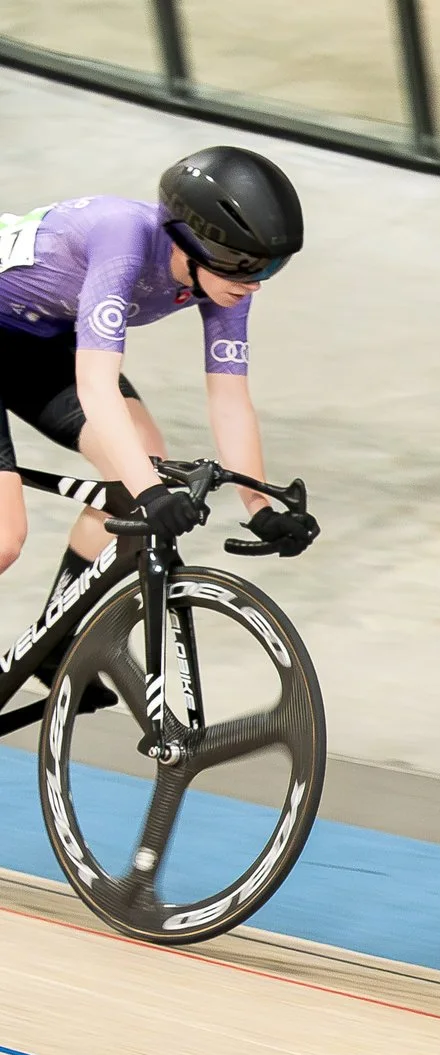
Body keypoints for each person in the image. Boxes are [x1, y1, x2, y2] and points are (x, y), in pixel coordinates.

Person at [0, 145, 318, 665]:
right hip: (28, 331)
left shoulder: (225, 282)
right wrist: (148, 492)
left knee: (143, 462)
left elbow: (230, 398)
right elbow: (96, 385)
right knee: (4, 537)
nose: (256, 281)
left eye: (272, 265)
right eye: (244, 263)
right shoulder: (122, 237)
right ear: (190, 242)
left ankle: (52, 648)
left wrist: (258, 508)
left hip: (32, 337)